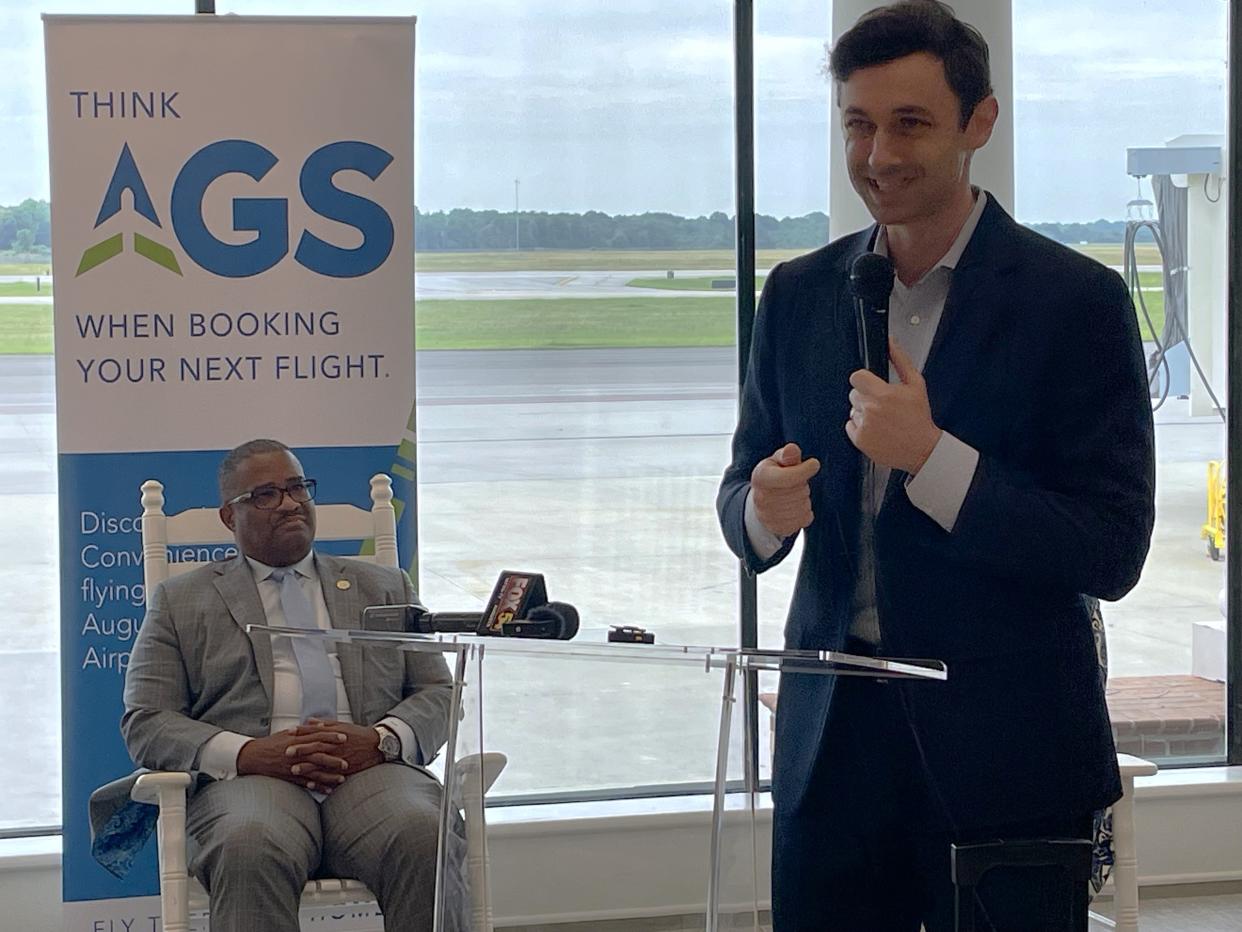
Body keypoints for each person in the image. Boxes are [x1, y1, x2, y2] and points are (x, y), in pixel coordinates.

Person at [716, 2, 1155, 929]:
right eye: (858, 124)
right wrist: (761, 510)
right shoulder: (797, 295)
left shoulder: (1075, 303)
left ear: (979, 124)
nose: (878, 155)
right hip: (830, 747)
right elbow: (741, 498)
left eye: (910, 123)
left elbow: (1111, 549)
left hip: (1008, 749)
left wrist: (934, 460)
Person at [114, 438, 462, 932]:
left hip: (372, 774)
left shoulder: (384, 586)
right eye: (266, 495)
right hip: (253, 783)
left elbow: (438, 693)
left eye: (299, 488)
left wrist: (381, 740)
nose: (292, 503)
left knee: (425, 832)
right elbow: (146, 720)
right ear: (229, 517)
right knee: (248, 843)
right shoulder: (180, 601)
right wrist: (248, 754)